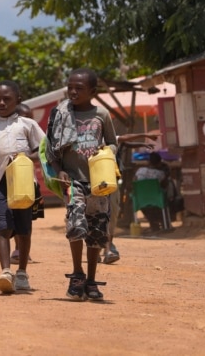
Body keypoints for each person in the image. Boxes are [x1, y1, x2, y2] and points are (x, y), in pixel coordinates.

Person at [46, 68, 118, 301]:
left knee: (97, 230)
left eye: (79, 88)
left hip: (98, 182)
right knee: (76, 226)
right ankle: (77, 274)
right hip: (73, 181)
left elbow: (113, 143)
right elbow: (51, 150)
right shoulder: (60, 113)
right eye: (70, 87)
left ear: (93, 92)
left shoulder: (102, 115)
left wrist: (106, 151)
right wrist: (60, 171)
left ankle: (91, 280)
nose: (73, 91)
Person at [0, 81, 45, 294]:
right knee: (3, 226)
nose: (2, 102)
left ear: (18, 100)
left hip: (24, 183)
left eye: (7, 99)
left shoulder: (27, 125)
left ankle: (22, 272)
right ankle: (6, 271)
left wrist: (24, 156)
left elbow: (41, 151)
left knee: (23, 229)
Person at [102, 133, 158, 265]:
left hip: (111, 181)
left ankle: (108, 248)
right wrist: (144, 136)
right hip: (94, 182)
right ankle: (99, 247)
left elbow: (125, 141)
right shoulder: (94, 138)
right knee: (97, 215)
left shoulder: (109, 138)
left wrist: (143, 142)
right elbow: (125, 140)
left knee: (112, 213)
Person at [10, 103, 44, 265]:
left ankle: (23, 250)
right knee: (13, 218)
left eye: (29, 117)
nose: (27, 121)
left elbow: (42, 154)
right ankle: (17, 247)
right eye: (24, 117)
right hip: (10, 182)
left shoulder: (33, 135)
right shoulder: (6, 132)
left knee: (26, 219)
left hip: (29, 181)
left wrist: (26, 156)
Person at [134, 151, 171, 232]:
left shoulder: (140, 171)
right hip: (156, 199)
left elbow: (135, 183)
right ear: (159, 163)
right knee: (164, 199)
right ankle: (163, 222)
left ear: (148, 162)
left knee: (145, 206)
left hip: (141, 199)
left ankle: (153, 223)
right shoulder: (161, 174)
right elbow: (164, 185)